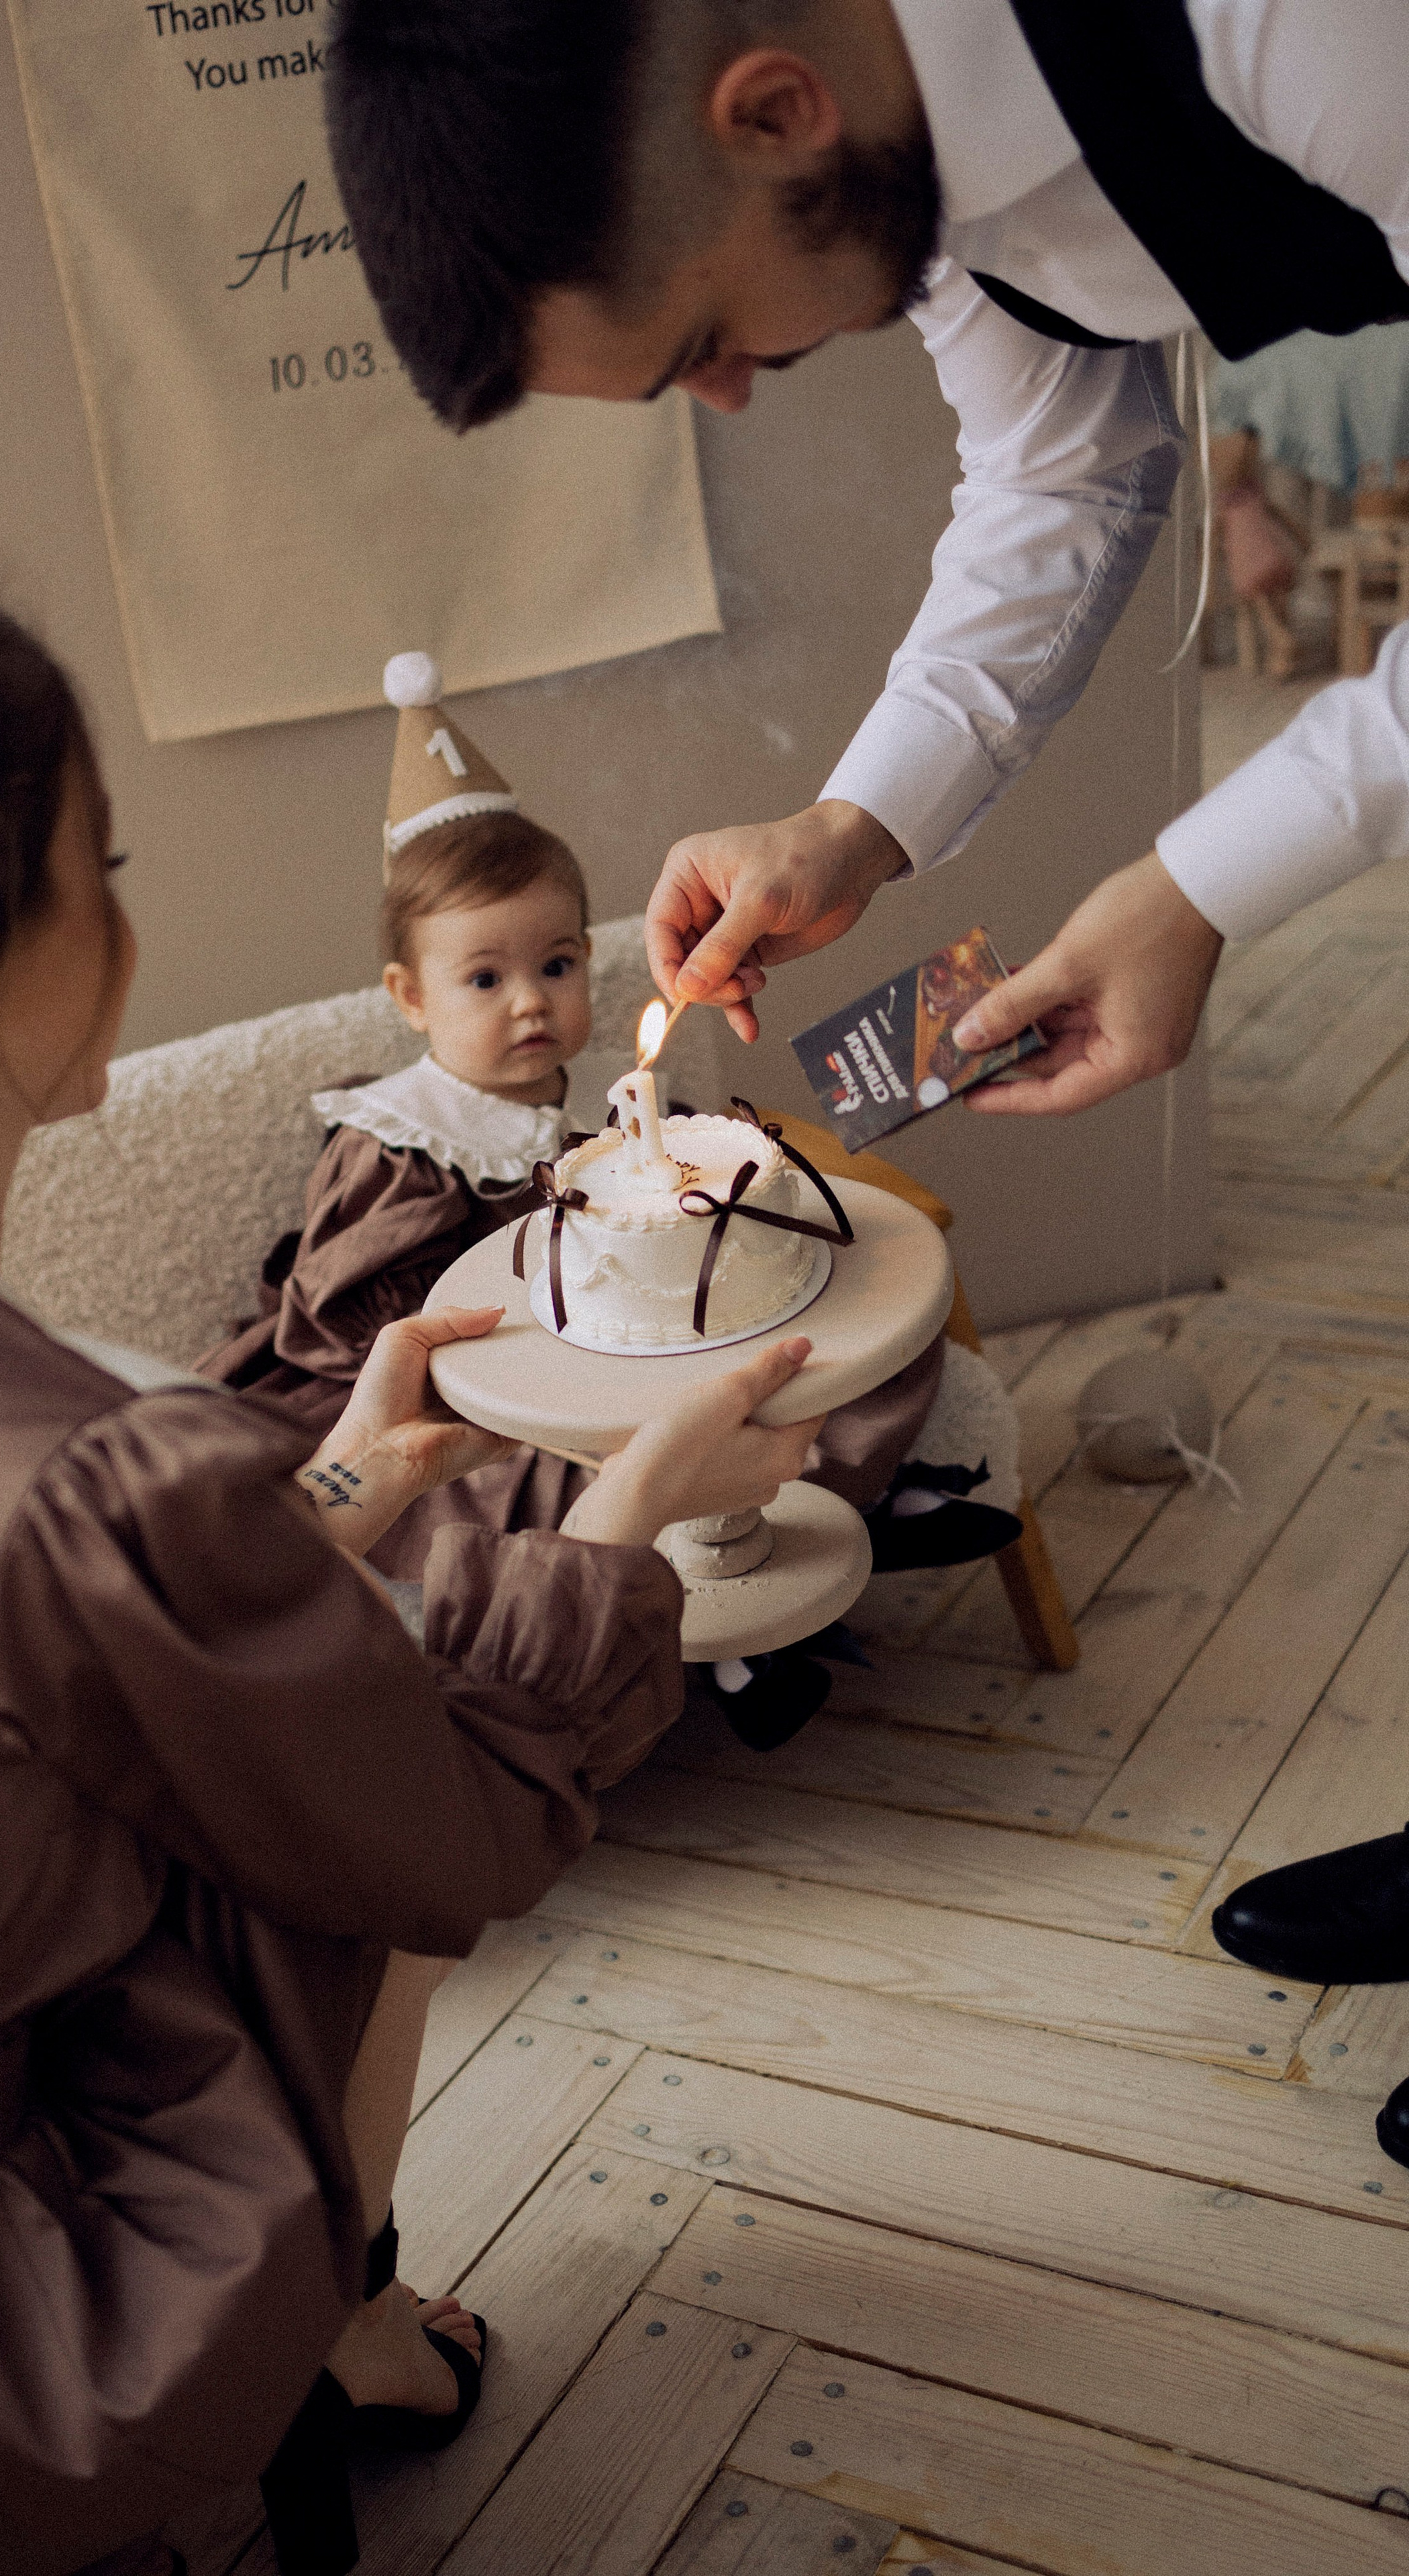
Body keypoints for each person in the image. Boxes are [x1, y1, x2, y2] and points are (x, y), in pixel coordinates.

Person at [325, 0, 1409, 2143]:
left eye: (707, 337)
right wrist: (861, 823)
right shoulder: (902, 150)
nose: (735, 385)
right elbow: (1066, 468)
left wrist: (1197, 882)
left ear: (774, 109)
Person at [0, 549, 828, 2576]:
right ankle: (344, 2325)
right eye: (100, 869)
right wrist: (629, 1513)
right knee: (357, 1860)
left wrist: (347, 1490)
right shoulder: (77, 1462)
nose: (124, 928)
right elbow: (453, 1831)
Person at [200, 657, 1021, 1746]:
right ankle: (719, 1640)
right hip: (492, 1373)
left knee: (851, 1326)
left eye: (557, 963)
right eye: (485, 980)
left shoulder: (618, 1098)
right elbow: (343, 1318)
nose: (532, 1002)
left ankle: (843, 1512)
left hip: (662, 1326)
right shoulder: (403, 1136)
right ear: (409, 998)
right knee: (539, 1480)